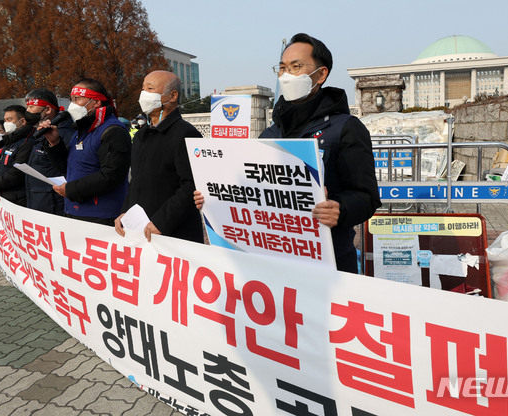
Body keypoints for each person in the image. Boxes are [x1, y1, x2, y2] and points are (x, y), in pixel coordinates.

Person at [195, 33, 380, 273]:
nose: (286, 75)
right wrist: (213, 198)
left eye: (296, 67)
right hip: (272, 261)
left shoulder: (346, 128)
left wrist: (340, 208)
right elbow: (251, 189)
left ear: (321, 74)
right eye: (282, 68)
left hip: (328, 262)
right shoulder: (271, 132)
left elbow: (367, 197)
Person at [115, 70, 203, 243]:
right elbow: (136, 180)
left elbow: (191, 185)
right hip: (141, 230)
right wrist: (125, 212)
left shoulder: (185, 133)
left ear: (172, 96)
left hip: (174, 233)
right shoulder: (142, 135)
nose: (143, 94)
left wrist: (162, 222)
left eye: (150, 89)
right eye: (143, 89)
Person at [41, 78, 130, 225]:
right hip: (76, 210)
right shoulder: (82, 129)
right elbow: (68, 168)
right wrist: (54, 143)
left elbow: (112, 175)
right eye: (71, 99)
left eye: (78, 99)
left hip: (101, 214)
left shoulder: (112, 130)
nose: (72, 104)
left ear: (96, 102)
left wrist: (70, 189)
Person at [24, 89, 75, 215]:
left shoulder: (66, 133)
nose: (27, 111)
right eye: (27, 107)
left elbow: (68, 167)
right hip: (39, 200)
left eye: (31, 107)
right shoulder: (40, 132)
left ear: (48, 110)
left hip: (55, 203)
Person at [0, 105, 34, 205]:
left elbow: (17, 172)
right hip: (5, 196)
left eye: (9, 119)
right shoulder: (9, 141)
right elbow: (0, 167)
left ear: (22, 121)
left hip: (20, 198)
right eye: (5, 120)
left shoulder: (27, 142)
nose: (6, 123)